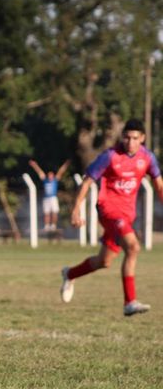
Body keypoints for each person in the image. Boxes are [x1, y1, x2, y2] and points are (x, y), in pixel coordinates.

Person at [61, 119, 163, 316]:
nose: (130, 142)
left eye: (135, 138)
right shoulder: (110, 156)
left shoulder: (147, 157)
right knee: (133, 247)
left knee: (104, 261)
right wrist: (76, 209)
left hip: (127, 215)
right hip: (109, 211)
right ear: (122, 137)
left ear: (142, 139)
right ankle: (129, 302)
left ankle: (69, 274)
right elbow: (87, 182)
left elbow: (158, 185)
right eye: (127, 137)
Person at [28, 158, 70, 231]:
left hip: (53, 198)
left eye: (51, 175)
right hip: (46, 198)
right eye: (49, 175)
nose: (50, 176)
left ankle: (53, 226)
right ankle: (47, 226)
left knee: (54, 212)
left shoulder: (55, 180)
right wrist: (34, 165)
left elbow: (61, 171)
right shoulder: (45, 180)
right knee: (46, 213)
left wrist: (66, 164)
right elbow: (39, 171)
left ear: (53, 176)